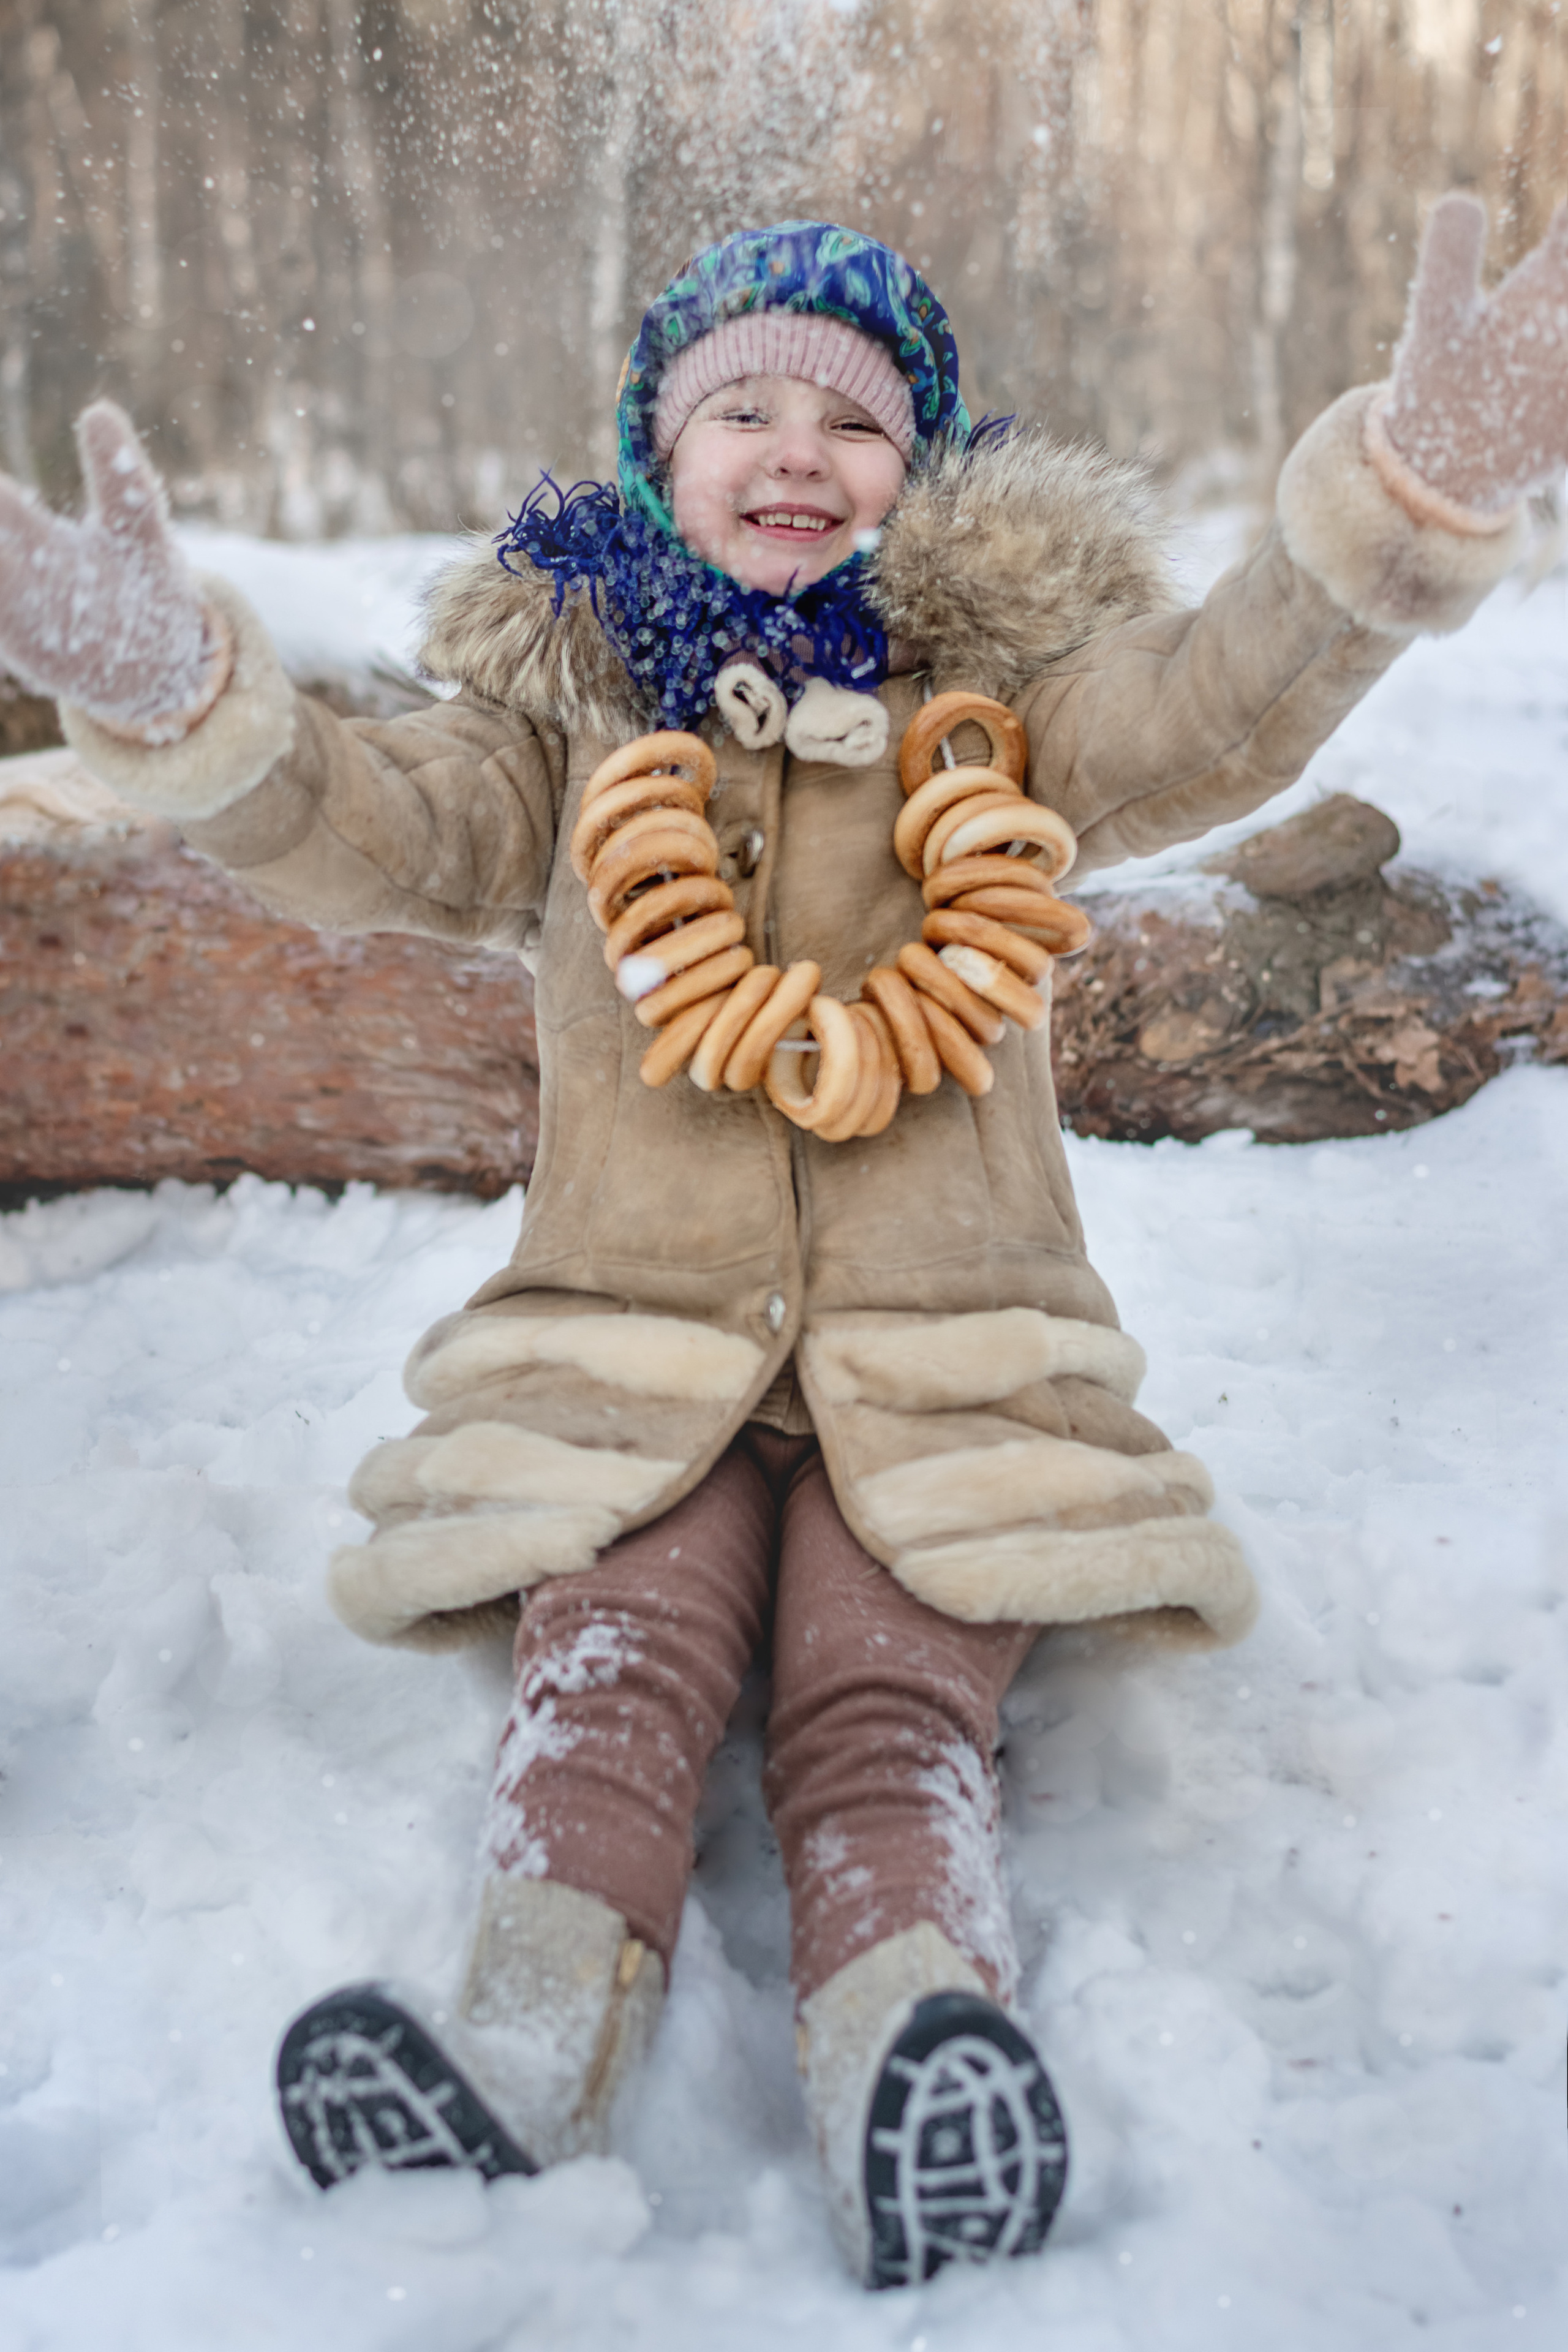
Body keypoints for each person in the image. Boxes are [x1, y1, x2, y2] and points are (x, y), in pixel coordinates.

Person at [1, 204, 1562, 2290]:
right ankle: (522, 2040)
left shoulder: (1003, 708)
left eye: (856, 420)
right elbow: (364, 825)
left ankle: (916, 2048)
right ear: (660, 452)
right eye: (741, 407)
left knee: (886, 1701)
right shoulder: (560, 728)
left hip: (947, 1363)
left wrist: (1399, 509)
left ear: (927, 472)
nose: (798, 449)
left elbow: (1219, 704)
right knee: (611, 1667)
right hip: (634, 1353)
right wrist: (198, 703)